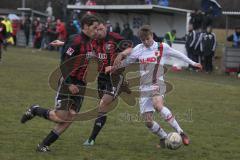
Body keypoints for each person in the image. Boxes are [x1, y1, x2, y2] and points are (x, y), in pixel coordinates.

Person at [106, 25, 202, 147]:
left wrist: (193, 63)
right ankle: (165, 138)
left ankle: (181, 132)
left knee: (158, 105)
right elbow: (127, 62)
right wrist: (113, 68)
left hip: (157, 83)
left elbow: (178, 54)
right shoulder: (138, 49)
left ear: (152, 35)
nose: (146, 42)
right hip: (144, 87)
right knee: (148, 121)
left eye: (148, 39)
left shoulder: (162, 47)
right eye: (143, 40)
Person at [20, 14, 100, 152]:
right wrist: (69, 84)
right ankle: (35, 110)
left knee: (71, 117)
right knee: (60, 118)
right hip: (68, 83)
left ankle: (43, 145)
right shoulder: (76, 41)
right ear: (86, 26)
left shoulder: (91, 42)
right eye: (94, 28)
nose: (96, 31)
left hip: (81, 86)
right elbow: (64, 64)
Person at [83, 21, 132, 146]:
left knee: (103, 103)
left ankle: (91, 139)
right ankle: (122, 87)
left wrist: (120, 56)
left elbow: (131, 48)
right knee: (102, 106)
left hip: (115, 76)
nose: (98, 32)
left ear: (105, 28)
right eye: (96, 29)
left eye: (100, 29)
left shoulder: (114, 38)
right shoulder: (93, 41)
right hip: (102, 77)